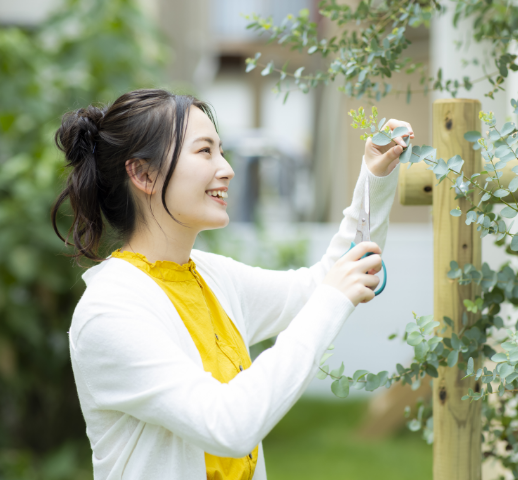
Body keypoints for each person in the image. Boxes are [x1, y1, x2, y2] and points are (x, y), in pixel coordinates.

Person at [52, 88, 413, 480]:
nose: (226, 168)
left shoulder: (212, 276)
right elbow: (229, 425)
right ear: (143, 174)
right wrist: (332, 298)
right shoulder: (110, 311)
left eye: (220, 150)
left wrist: (374, 178)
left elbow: (323, 281)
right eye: (204, 151)